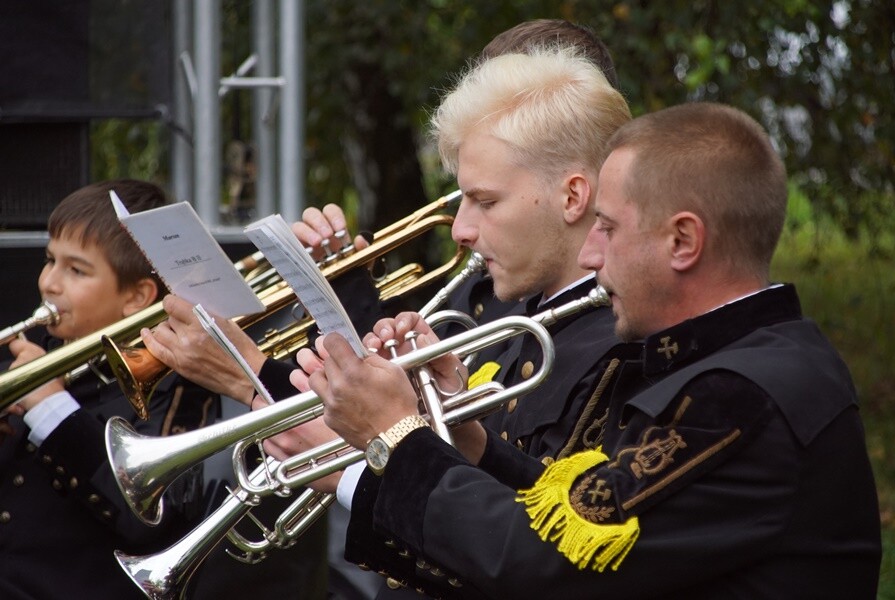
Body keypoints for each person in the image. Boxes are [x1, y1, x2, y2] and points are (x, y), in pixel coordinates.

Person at [301, 102, 883, 598]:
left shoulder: (741, 395)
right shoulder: (741, 363)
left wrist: (392, 441)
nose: (589, 255)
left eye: (606, 227)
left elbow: (539, 564)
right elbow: (583, 518)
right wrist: (471, 444)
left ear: (683, 241)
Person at [142, 20, 630, 600]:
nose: (462, 229)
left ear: (574, 196)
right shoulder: (512, 310)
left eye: (484, 200)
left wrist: (255, 380)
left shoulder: (619, 341)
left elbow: (530, 552)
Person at [0, 180, 219, 599]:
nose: (49, 282)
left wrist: (51, 409)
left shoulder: (177, 385)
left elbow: (153, 521)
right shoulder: (32, 355)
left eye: (76, 270)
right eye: (50, 260)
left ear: (137, 297)